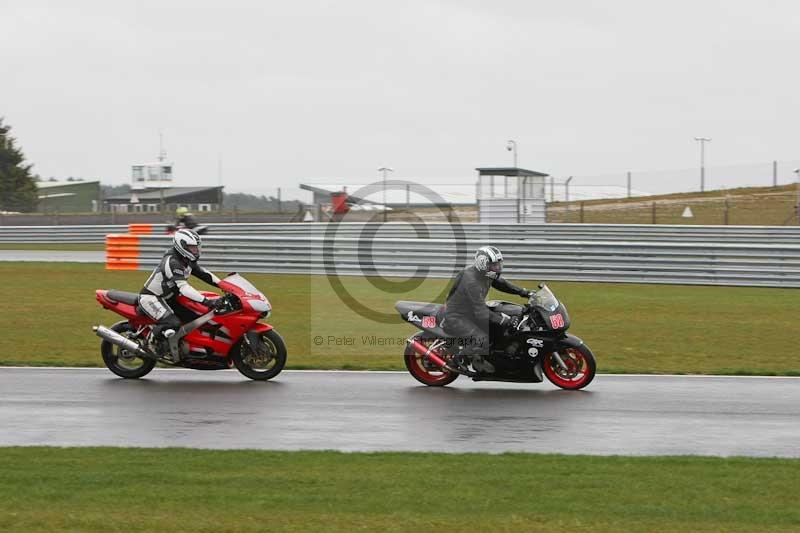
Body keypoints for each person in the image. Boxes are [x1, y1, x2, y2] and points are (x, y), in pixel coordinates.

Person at [139, 228, 224, 361]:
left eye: (197, 247)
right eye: (192, 247)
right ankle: (150, 343)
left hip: (170, 298)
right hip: (152, 297)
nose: (196, 250)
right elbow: (184, 289)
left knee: (196, 318)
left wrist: (223, 285)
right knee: (173, 322)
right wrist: (207, 301)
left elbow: (203, 274)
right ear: (182, 246)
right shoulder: (173, 262)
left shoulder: (186, 259)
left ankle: (181, 347)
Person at [442, 245, 531, 374]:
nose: (498, 267)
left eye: (499, 264)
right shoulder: (471, 281)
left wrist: (523, 292)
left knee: (498, 325)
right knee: (482, 337)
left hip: (470, 310)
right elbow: (481, 313)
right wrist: (504, 321)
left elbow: (501, 283)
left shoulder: (484, 274)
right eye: (494, 265)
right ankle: (463, 359)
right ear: (483, 264)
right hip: (457, 316)